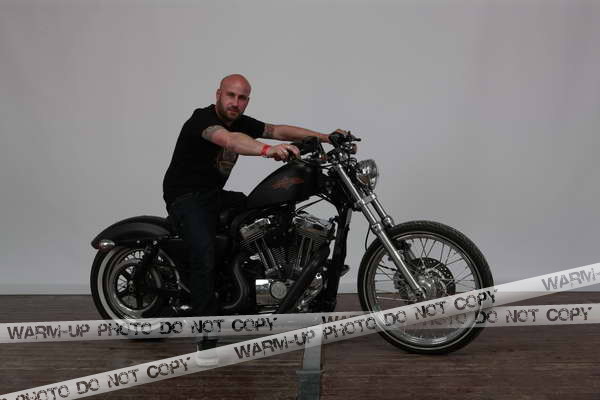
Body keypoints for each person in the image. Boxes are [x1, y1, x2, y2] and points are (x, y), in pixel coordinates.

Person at [161, 74, 345, 318]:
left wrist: (326, 137)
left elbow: (277, 130)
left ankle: (250, 281)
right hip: (186, 197)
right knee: (203, 252)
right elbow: (230, 140)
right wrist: (267, 150)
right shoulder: (203, 120)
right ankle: (204, 325)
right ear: (218, 94)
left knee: (265, 215)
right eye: (231, 95)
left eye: (242, 98)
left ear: (247, 101)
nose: (235, 102)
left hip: (213, 195)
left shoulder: (239, 121)